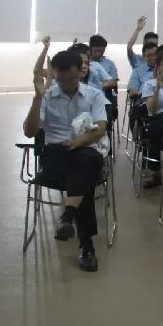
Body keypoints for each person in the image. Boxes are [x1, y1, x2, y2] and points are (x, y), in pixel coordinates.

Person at [23, 50, 109, 272]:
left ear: (80, 72)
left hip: (84, 150)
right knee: (85, 175)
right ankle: (85, 245)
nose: (66, 84)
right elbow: (29, 132)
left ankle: (70, 218)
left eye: (71, 79)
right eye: (60, 80)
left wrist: (77, 142)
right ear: (55, 74)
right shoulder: (47, 95)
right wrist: (37, 98)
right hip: (56, 156)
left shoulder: (93, 95)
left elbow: (100, 129)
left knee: (85, 162)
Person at [139, 48, 163, 189]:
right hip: (158, 117)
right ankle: (156, 172)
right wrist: (157, 89)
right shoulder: (150, 84)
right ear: (158, 66)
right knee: (157, 129)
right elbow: (153, 110)